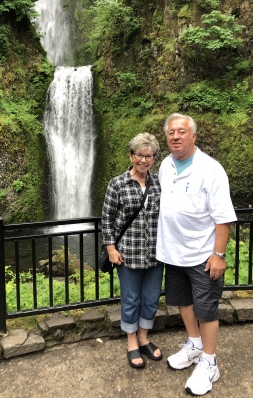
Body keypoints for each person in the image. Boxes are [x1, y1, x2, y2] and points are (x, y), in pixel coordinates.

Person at [156, 113, 237, 395]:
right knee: (183, 302)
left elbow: (222, 218)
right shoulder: (165, 165)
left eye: (181, 131)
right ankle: (194, 344)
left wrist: (218, 254)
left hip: (203, 254)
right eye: (171, 133)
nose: (175, 136)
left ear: (193, 136)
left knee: (206, 309)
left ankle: (209, 362)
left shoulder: (211, 169)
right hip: (173, 251)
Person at [102, 132, 163, 369]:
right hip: (127, 253)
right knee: (130, 299)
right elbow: (107, 219)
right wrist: (110, 248)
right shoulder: (117, 184)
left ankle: (144, 337)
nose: (144, 160)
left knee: (151, 298)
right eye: (139, 155)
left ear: (154, 159)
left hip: (156, 254)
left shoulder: (158, 182)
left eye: (149, 156)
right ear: (131, 155)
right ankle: (131, 342)